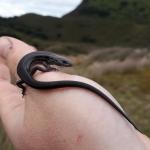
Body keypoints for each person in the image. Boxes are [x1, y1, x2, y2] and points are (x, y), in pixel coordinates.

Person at [0, 36, 149, 150]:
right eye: (63, 63)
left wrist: (25, 86)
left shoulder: (40, 60)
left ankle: (26, 85)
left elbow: (35, 67)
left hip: (27, 78)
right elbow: (38, 67)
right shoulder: (41, 61)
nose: (65, 65)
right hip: (29, 77)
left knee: (23, 81)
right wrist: (47, 71)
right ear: (54, 61)